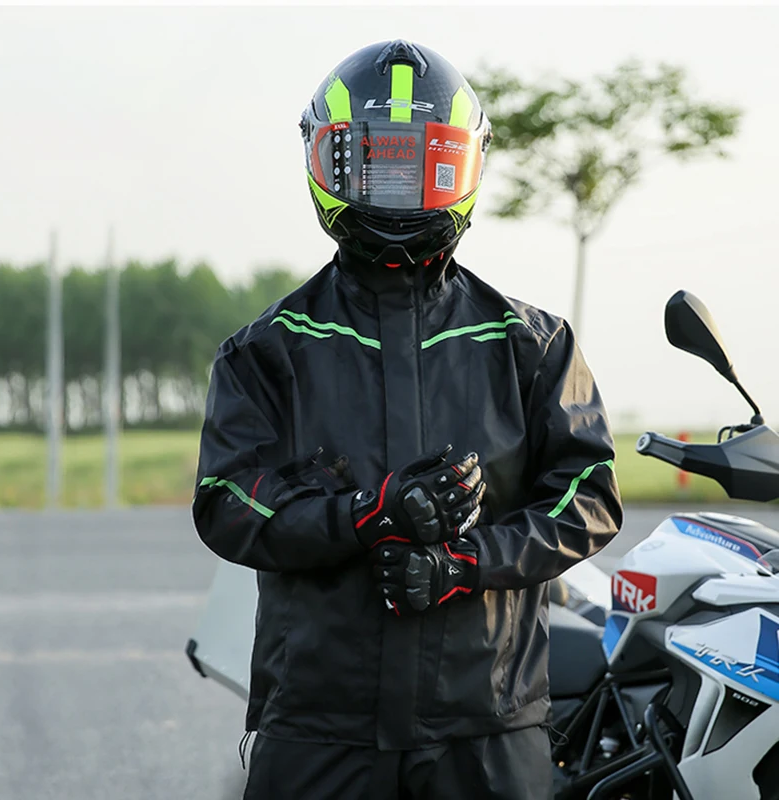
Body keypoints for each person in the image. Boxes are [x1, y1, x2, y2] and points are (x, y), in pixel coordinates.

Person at [192, 39, 623, 800]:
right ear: (325, 164)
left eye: (427, 165)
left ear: (467, 167)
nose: (399, 190)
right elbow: (226, 504)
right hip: (319, 730)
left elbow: (589, 497)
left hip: (487, 729)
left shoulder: (530, 345)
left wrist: (466, 564)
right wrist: (366, 514)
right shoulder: (269, 350)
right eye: (376, 165)